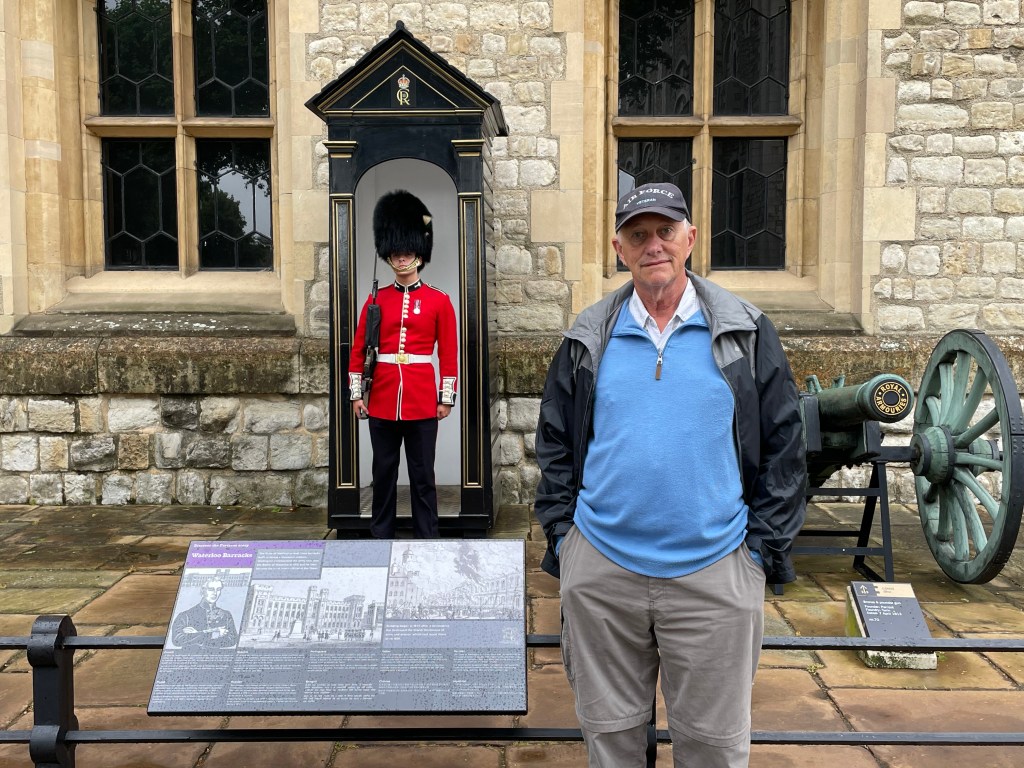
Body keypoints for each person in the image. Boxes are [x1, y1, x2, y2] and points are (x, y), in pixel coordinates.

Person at [534, 182, 806, 767]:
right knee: (611, 742)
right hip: (604, 571)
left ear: (690, 237)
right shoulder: (588, 336)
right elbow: (555, 442)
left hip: (715, 571)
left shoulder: (746, 330)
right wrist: (565, 540)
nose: (652, 245)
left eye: (665, 231)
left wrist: (759, 552)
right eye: (638, 235)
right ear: (619, 248)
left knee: (713, 747)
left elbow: (785, 445)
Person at [349, 190, 458, 539]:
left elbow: (449, 355)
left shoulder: (439, 301)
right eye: (396, 252)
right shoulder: (376, 299)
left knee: (423, 475)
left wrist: (446, 397)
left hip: (422, 400)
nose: (401, 257)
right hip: (382, 399)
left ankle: (428, 538)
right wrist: (356, 394)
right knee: (383, 473)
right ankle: (381, 536)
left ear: (419, 254)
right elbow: (359, 349)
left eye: (407, 251)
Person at [170, 577, 239, 650]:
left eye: (218, 589)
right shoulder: (185, 615)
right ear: (202, 591)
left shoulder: (226, 615)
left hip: (216, 655)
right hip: (189, 655)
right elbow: (177, 640)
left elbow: (232, 640)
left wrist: (197, 635)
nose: (215, 593)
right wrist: (213, 634)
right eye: (211, 589)